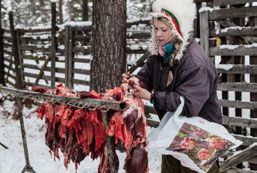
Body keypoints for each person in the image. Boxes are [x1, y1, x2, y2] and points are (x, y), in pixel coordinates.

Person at [122, 0, 222, 172]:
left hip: (200, 136)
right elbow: (147, 75)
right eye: (155, 28)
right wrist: (137, 82)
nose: (158, 34)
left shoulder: (195, 63)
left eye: (164, 29)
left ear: (177, 30)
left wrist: (151, 96)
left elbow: (188, 105)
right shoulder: (161, 52)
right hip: (173, 130)